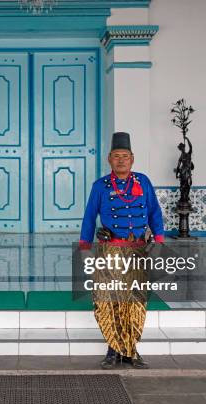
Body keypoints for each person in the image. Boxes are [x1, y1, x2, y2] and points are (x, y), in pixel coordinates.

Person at [80, 132, 164, 369]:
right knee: (109, 300)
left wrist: (158, 240)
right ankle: (113, 349)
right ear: (109, 159)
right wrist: (85, 246)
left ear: (132, 158)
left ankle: (131, 350)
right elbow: (89, 216)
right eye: (116, 156)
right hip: (110, 251)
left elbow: (155, 212)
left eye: (125, 156)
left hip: (138, 250)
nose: (121, 160)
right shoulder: (100, 186)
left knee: (136, 301)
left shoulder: (143, 182)